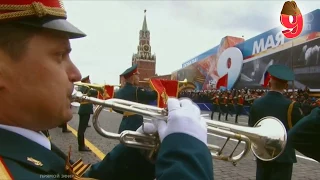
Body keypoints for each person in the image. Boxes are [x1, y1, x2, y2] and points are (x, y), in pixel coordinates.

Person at [0, 1, 213, 179]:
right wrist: (188, 156)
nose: (75, 73)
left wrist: (138, 154)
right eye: (59, 56)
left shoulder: (23, 150)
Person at [248, 64, 304, 180]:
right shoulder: (291, 105)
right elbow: (299, 130)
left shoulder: (256, 103)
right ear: (286, 85)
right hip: (284, 156)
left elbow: (252, 128)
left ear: (269, 83)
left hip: (263, 154)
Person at [115, 64, 158, 133]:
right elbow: (154, 95)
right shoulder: (136, 90)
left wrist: (126, 111)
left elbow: (115, 107)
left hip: (124, 124)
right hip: (135, 125)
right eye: (137, 75)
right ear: (133, 77)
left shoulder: (119, 92)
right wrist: (156, 85)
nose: (139, 78)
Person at [77, 75, 97, 151]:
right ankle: (81, 146)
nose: (90, 82)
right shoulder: (86, 88)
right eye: (88, 81)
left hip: (83, 110)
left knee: (81, 129)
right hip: (85, 110)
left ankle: (81, 145)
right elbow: (94, 92)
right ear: (85, 81)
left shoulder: (82, 88)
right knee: (82, 130)